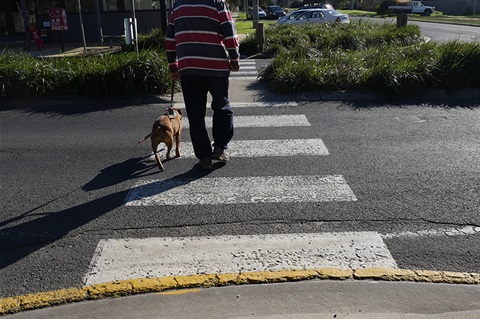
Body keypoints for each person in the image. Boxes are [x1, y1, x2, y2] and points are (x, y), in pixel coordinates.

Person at [165, 0, 240, 170]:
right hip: (216, 67)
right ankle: (220, 148)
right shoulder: (217, 3)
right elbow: (229, 33)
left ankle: (204, 157)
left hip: (189, 68)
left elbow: (170, 38)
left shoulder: (178, 6)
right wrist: (234, 59)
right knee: (222, 107)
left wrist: (173, 65)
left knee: (195, 115)